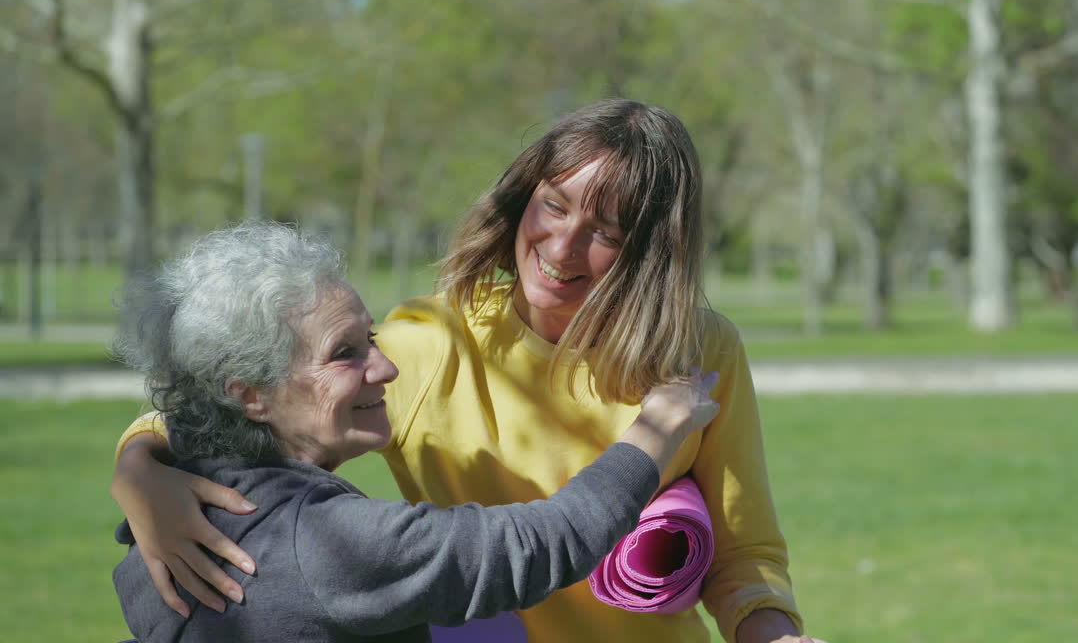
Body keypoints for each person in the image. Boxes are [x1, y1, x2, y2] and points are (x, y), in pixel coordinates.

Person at [114, 100, 826, 643]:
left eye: (605, 232)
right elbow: (229, 397)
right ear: (524, 197)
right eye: (554, 206)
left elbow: (744, 552)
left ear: (651, 249)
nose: (562, 246)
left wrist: (773, 633)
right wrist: (140, 473)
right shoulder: (429, 344)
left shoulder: (699, 351)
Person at [110, 220, 719, 642]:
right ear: (249, 394)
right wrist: (654, 430)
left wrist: (137, 463)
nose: (387, 368)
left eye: (371, 338)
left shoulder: (172, 515)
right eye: (344, 353)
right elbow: (539, 546)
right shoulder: (323, 544)